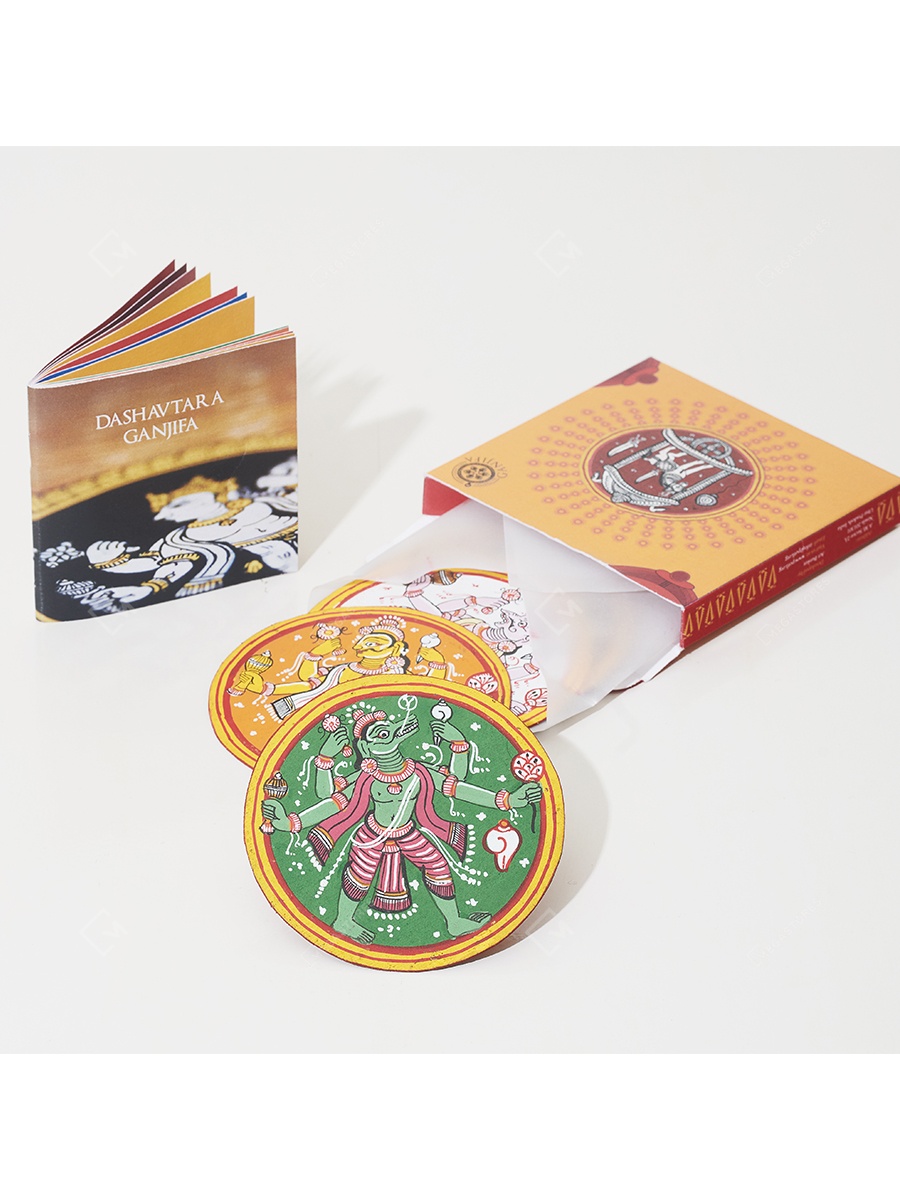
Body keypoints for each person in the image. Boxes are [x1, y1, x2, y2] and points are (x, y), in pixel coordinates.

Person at [260, 704, 541, 943]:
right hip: (371, 835)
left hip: (409, 833)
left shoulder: (419, 772)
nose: (389, 733)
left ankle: (454, 922)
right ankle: (343, 920)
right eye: (379, 734)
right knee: (358, 876)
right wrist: (291, 820)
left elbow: (458, 785)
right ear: (366, 748)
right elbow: (329, 799)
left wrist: (506, 798)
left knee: (438, 866)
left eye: (389, 729)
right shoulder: (366, 778)